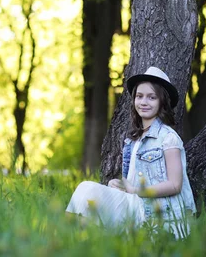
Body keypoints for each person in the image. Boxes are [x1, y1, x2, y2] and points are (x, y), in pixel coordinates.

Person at [66, 67, 196, 238]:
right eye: (139, 96)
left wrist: (135, 190)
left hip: (157, 214)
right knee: (86, 190)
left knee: (86, 189)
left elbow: (175, 185)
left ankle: (67, 241)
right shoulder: (133, 140)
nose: (144, 102)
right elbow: (134, 181)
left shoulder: (169, 138)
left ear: (162, 102)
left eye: (151, 97)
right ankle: (70, 242)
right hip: (135, 204)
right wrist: (120, 186)